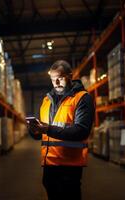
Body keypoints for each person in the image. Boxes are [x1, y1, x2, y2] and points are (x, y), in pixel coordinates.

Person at [27, 60, 94, 200]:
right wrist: (34, 130)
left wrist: (47, 129)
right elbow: (42, 134)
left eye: (60, 78)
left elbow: (81, 131)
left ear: (70, 76)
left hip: (69, 165)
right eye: (53, 79)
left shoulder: (82, 98)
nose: (56, 83)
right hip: (49, 164)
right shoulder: (47, 100)